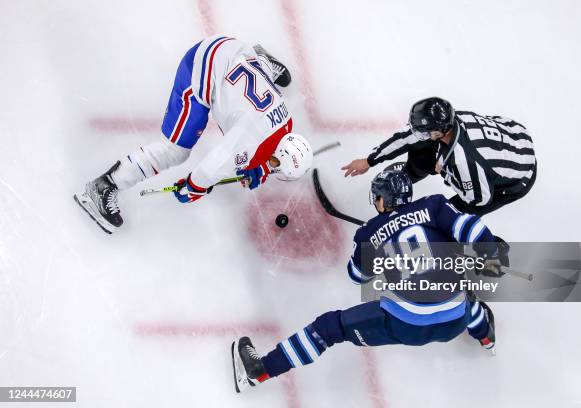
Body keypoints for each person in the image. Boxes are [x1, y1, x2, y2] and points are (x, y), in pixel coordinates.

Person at [231, 170, 506, 393]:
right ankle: (486, 338)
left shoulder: (369, 232)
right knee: (464, 293)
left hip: (404, 325)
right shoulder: (434, 206)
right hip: (453, 322)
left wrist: (377, 244)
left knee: (328, 328)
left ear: (383, 201)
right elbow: (472, 227)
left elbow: (357, 276)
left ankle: (260, 371)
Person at [74, 36, 312, 234]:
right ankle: (104, 185)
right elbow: (211, 168)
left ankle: (260, 59)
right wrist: (194, 188)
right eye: (276, 166)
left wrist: (259, 166)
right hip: (200, 66)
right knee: (175, 151)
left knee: (255, 80)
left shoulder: (286, 123)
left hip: (233, 50)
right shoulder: (251, 137)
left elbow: (264, 150)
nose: (274, 169)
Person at [341, 97, 536, 216]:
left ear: (439, 131)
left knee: (446, 216)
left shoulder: (464, 162)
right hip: (514, 139)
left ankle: (485, 253)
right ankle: (414, 171)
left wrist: (445, 171)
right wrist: (369, 160)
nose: (417, 133)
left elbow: (479, 200)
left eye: (424, 132)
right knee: (421, 149)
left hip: (515, 180)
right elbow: (406, 137)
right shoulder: (453, 119)